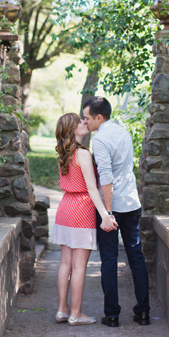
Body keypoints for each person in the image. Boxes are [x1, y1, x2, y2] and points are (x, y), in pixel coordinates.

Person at [82, 96, 150, 327]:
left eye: (87, 118)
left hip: (113, 206)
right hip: (131, 202)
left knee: (109, 260)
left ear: (99, 117)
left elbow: (107, 178)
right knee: (136, 256)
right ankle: (143, 312)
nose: (86, 122)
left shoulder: (100, 140)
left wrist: (107, 213)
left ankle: (112, 315)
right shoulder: (123, 132)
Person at [53, 113, 117, 326]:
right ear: (72, 130)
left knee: (65, 263)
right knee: (79, 266)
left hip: (65, 207)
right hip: (81, 208)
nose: (85, 123)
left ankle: (62, 310)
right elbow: (91, 188)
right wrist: (105, 215)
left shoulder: (63, 153)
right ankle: (76, 313)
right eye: (80, 122)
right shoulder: (82, 154)